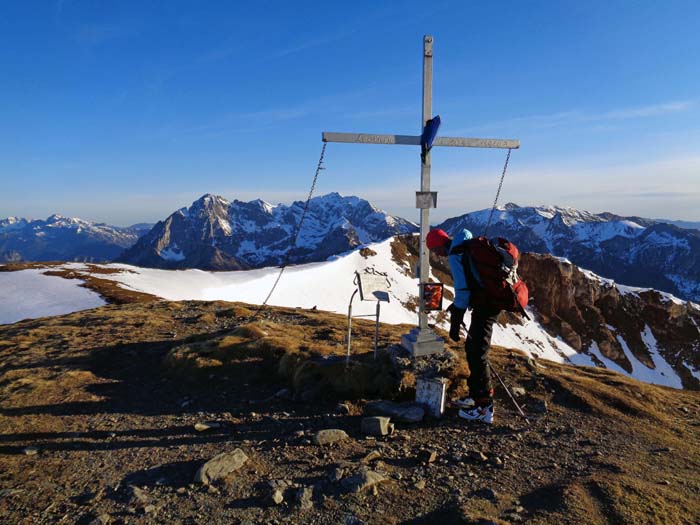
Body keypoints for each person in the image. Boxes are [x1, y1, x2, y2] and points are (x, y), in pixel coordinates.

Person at [426, 227, 500, 424]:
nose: (436, 255)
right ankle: (476, 396)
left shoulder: (456, 254)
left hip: (487, 304)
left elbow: (463, 291)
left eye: (434, 250)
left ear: (439, 246)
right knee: (473, 348)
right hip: (488, 302)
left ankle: (484, 407)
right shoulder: (466, 244)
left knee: (477, 353)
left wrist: (456, 317)